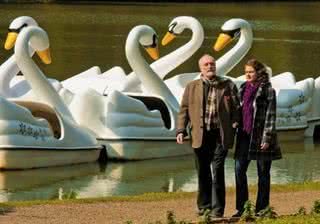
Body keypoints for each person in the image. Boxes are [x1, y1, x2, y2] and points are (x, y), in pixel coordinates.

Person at [176, 54, 240, 218]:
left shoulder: (227, 85)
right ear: (200, 68)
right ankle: (204, 206)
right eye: (206, 64)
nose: (210, 66)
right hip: (200, 135)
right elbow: (184, 110)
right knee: (202, 171)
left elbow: (237, 109)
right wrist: (181, 130)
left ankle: (217, 210)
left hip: (220, 135)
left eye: (212, 64)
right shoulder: (192, 86)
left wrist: (234, 124)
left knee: (217, 170)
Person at [232, 59, 282, 217]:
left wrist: (267, 138)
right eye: (246, 71)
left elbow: (270, 116)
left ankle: (262, 209)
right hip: (244, 135)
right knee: (239, 170)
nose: (247, 74)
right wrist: (234, 122)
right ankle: (242, 208)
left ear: (259, 72)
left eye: (251, 71)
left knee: (263, 174)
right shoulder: (242, 88)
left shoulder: (268, 90)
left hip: (261, 137)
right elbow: (238, 109)